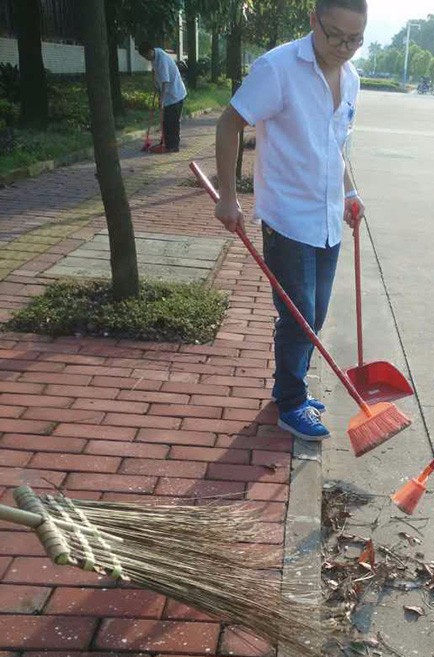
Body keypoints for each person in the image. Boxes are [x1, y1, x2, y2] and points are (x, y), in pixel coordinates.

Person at [213, 0, 366, 442]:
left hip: (328, 219)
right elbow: (229, 124)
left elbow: (337, 148)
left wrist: (351, 193)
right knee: (298, 318)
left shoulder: (352, 78)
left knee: (314, 316)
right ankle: (291, 403)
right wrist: (227, 194)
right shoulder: (278, 67)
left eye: (354, 40)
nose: (343, 47)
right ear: (313, 20)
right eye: (335, 35)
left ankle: (290, 386)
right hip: (288, 218)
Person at [137, 43, 187, 153]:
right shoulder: (154, 57)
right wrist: (155, 84)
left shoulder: (162, 59)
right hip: (168, 94)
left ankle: (173, 146)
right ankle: (165, 141)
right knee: (165, 120)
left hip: (175, 94)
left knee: (172, 121)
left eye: (146, 56)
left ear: (150, 50)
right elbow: (155, 72)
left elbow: (165, 80)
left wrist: (162, 99)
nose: (146, 58)